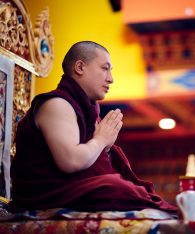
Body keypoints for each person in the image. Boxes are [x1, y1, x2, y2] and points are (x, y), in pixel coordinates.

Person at [8, 41, 177, 215]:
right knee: (116, 187)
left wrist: (106, 147)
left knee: (132, 188)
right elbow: (70, 161)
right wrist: (100, 140)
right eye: (105, 68)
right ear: (80, 67)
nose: (111, 78)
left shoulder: (87, 109)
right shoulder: (57, 104)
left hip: (70, 189)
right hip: (42, 195)